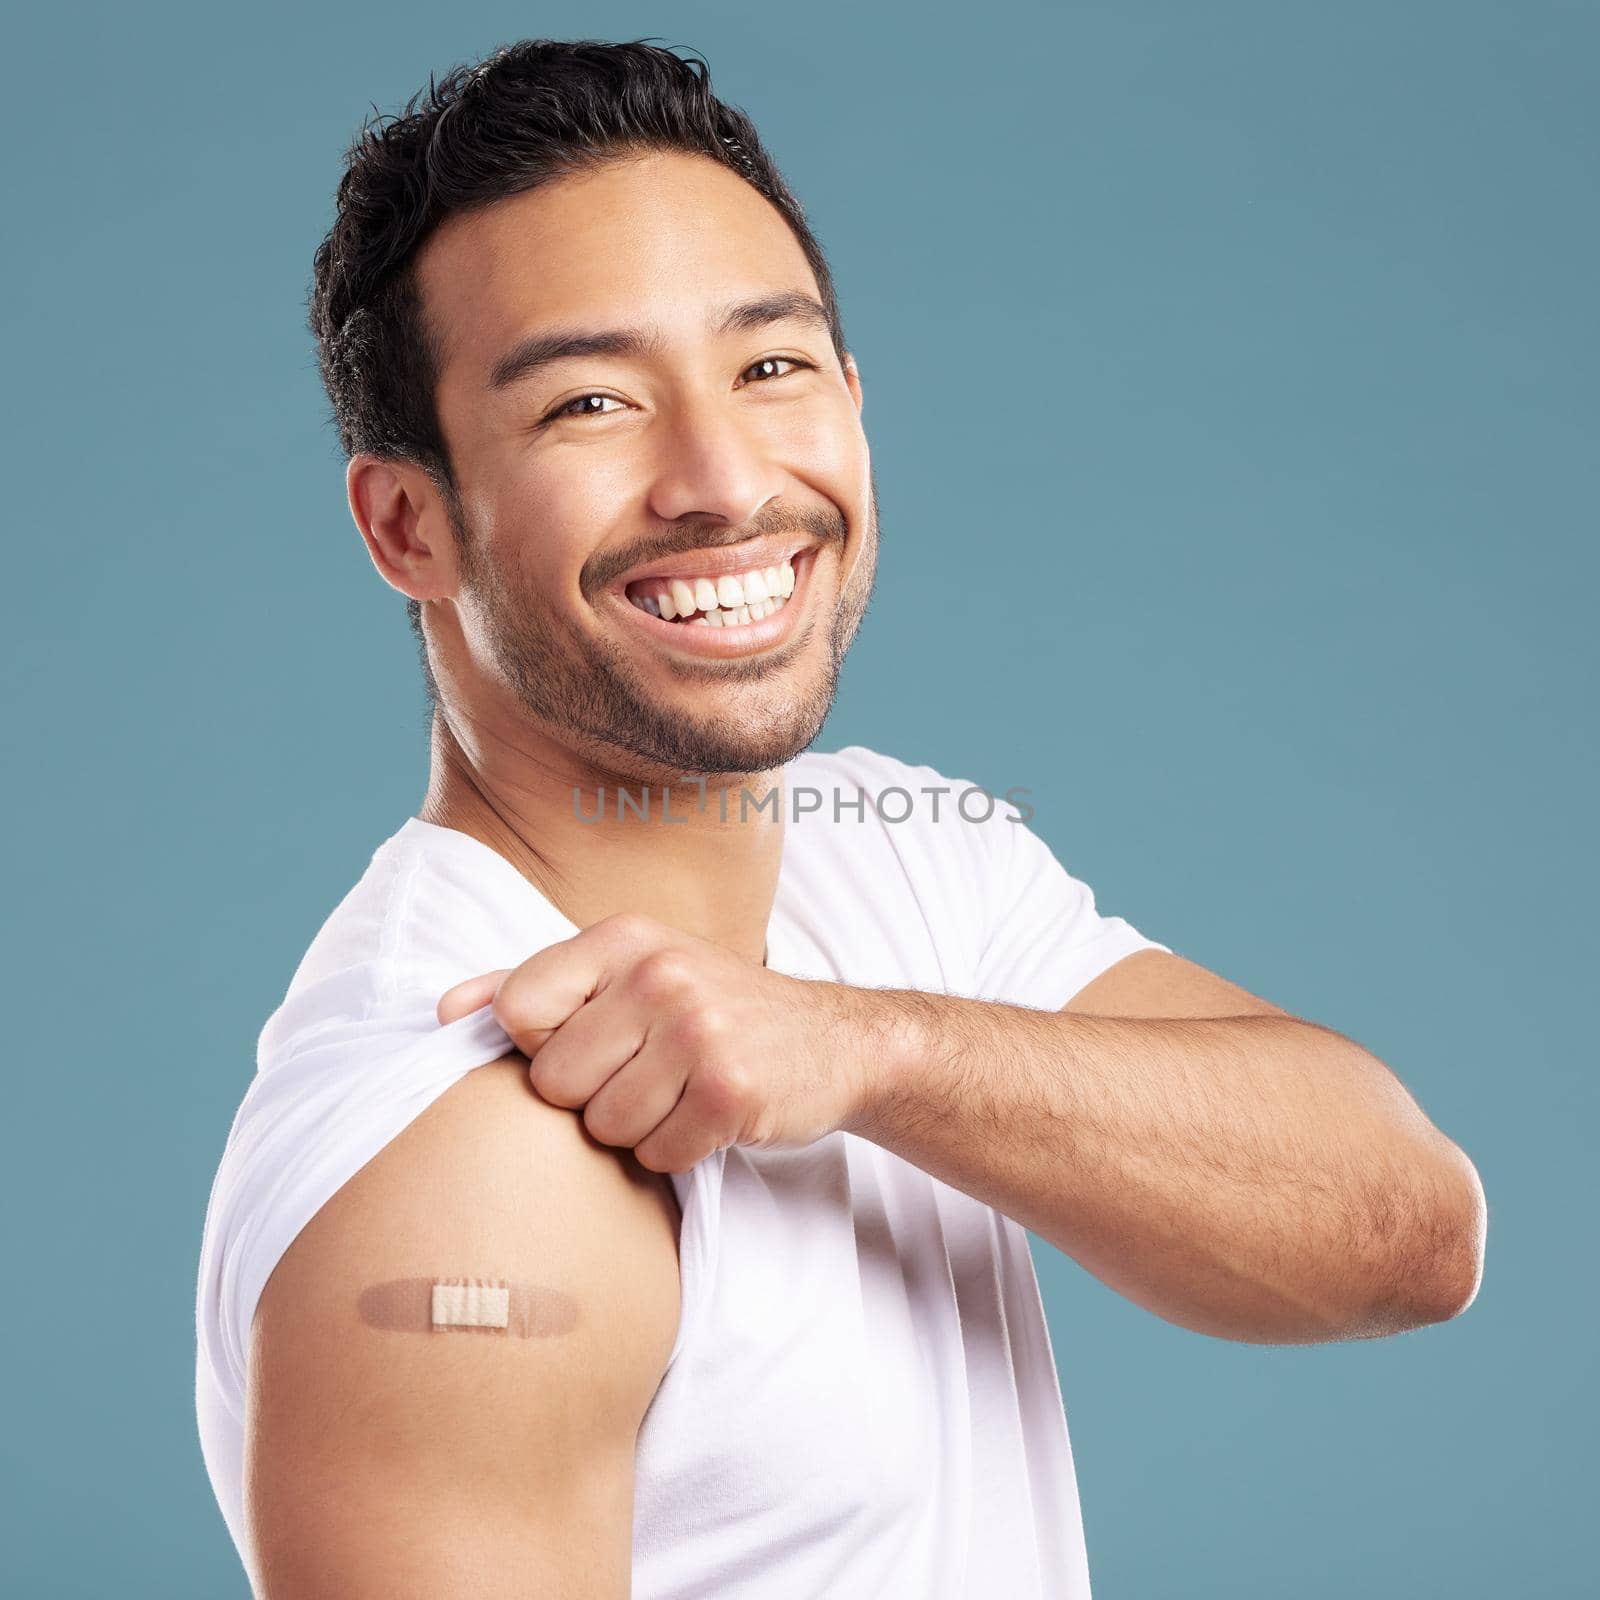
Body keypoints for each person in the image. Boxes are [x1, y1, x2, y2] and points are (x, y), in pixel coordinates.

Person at [193, 37, 1486, 1598]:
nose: (724, 479)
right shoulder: (475, 1152)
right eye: (592, 401)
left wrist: (876, 1049)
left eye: (771, 366)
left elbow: (1407, 1233)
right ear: (409, 522)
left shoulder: (899, 842)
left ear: (855, 401)